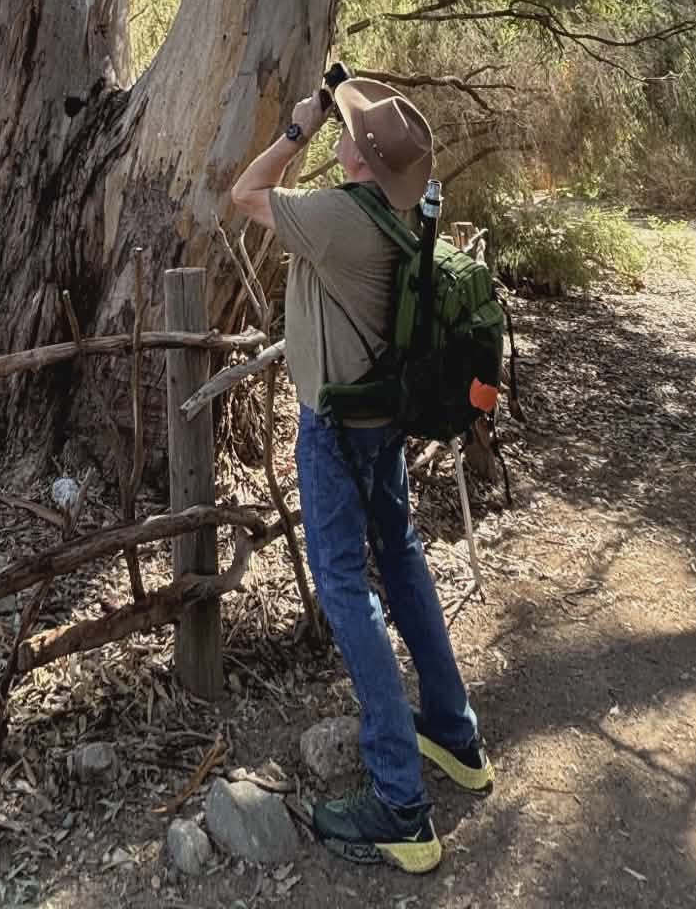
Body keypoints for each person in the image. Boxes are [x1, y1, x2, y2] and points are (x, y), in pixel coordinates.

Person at [230, 73, 492, 873]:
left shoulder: (341, 218)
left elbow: (245, 192)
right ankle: (454, 734)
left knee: (346, 586)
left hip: (335, 430)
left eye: (345, 128)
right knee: (404, 563)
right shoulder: (404, 212)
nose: (337, 131)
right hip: (383, 427)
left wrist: (297, 127)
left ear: (361, 156)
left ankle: (400, 806)